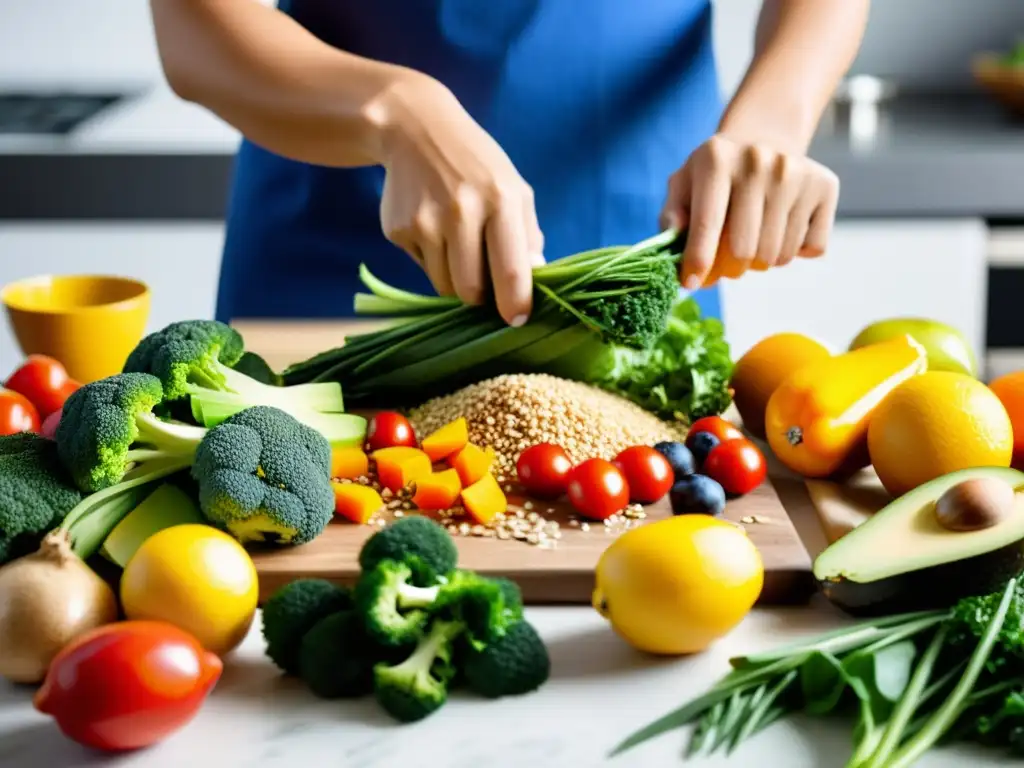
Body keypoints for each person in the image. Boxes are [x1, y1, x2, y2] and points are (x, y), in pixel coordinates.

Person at [149, 0, 869, 328]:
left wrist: (775, 118)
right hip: (330, 259)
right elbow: (194, 24)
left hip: (642, 243)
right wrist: (398, 114)